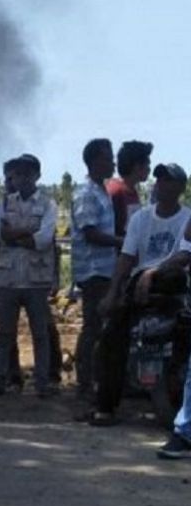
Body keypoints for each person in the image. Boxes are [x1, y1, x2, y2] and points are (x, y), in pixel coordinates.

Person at [89, 163, 191, 426]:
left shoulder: (187, 219)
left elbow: (184, 255)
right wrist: (113, 293)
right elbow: (126, 258)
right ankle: (105, 406)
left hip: (175, 285)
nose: (160, 183)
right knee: (112, 337)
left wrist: (153, 272)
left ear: (180, 188)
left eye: (167, 180)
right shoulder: (141, 218)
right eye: (158, 179)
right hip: (140, 286)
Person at [0, 154, 58, 399]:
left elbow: (44, 239)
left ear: (37, 175)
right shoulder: (2, 204)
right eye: (18, 174)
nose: (23, 179)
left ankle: (42, 383)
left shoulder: (49, 205)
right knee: (5, 334)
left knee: (40, 333)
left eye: (28, 174)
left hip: (36, 280)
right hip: (7, 279)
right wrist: (27, 231)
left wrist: (12, 234)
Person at [71, 138, 123, 399]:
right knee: (93, 326)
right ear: (94, 161)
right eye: (107, 157)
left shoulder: (102, 191)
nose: (112, 162)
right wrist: (122, 242)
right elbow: (89, 232)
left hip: (105, 269)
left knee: (100, 326)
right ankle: (85, 382)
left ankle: (94, 378)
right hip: (93, 271)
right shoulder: (86, 194)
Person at [106, 141, 152, 235]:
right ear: (136, 166)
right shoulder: (115, 191)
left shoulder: (132, 191)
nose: (149, 169)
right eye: (147, 164)